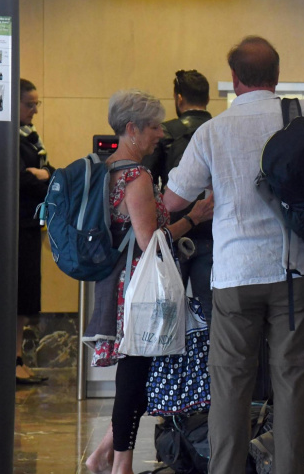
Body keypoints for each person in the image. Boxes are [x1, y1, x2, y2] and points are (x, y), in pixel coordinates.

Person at [163, 35, 304, 473]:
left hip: (235, 277)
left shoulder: (212, 131)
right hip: (296, 273)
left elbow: (175, 199)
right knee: (292, 382)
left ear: (233, 80)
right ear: (277, 75)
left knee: (230, 385)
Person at [83, 90, 214, 474]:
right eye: (154, 126)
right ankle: (119, 463)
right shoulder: (135, 177)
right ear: (131, 129)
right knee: (134, 377)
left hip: (119, 284)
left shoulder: (107, 168)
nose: (161, 132)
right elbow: (149, 242)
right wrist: (196, 217)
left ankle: (105, 456)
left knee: (137, 376)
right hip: (136, 292)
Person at [141, 69, 215, 322]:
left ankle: (169, 362)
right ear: (207, 98)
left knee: (168, 313)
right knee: (211, 313)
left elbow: (146, 181)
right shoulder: (220, 129)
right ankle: (210, 362)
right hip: (214, 235)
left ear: (179, 98)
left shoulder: (165, 133)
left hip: (174, 233)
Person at [16, 78, 54, 385]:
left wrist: (42, 174)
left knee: (28, 298)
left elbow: (51, 174)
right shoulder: (7, 139)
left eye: (36, 104)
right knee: (16, 296)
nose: (34, 111)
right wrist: (41, 177)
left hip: (30, 224)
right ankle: (12, 360)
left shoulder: (31, 138)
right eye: (30, 105)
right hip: (14, 227)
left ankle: (18, 358)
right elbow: (19, 180)